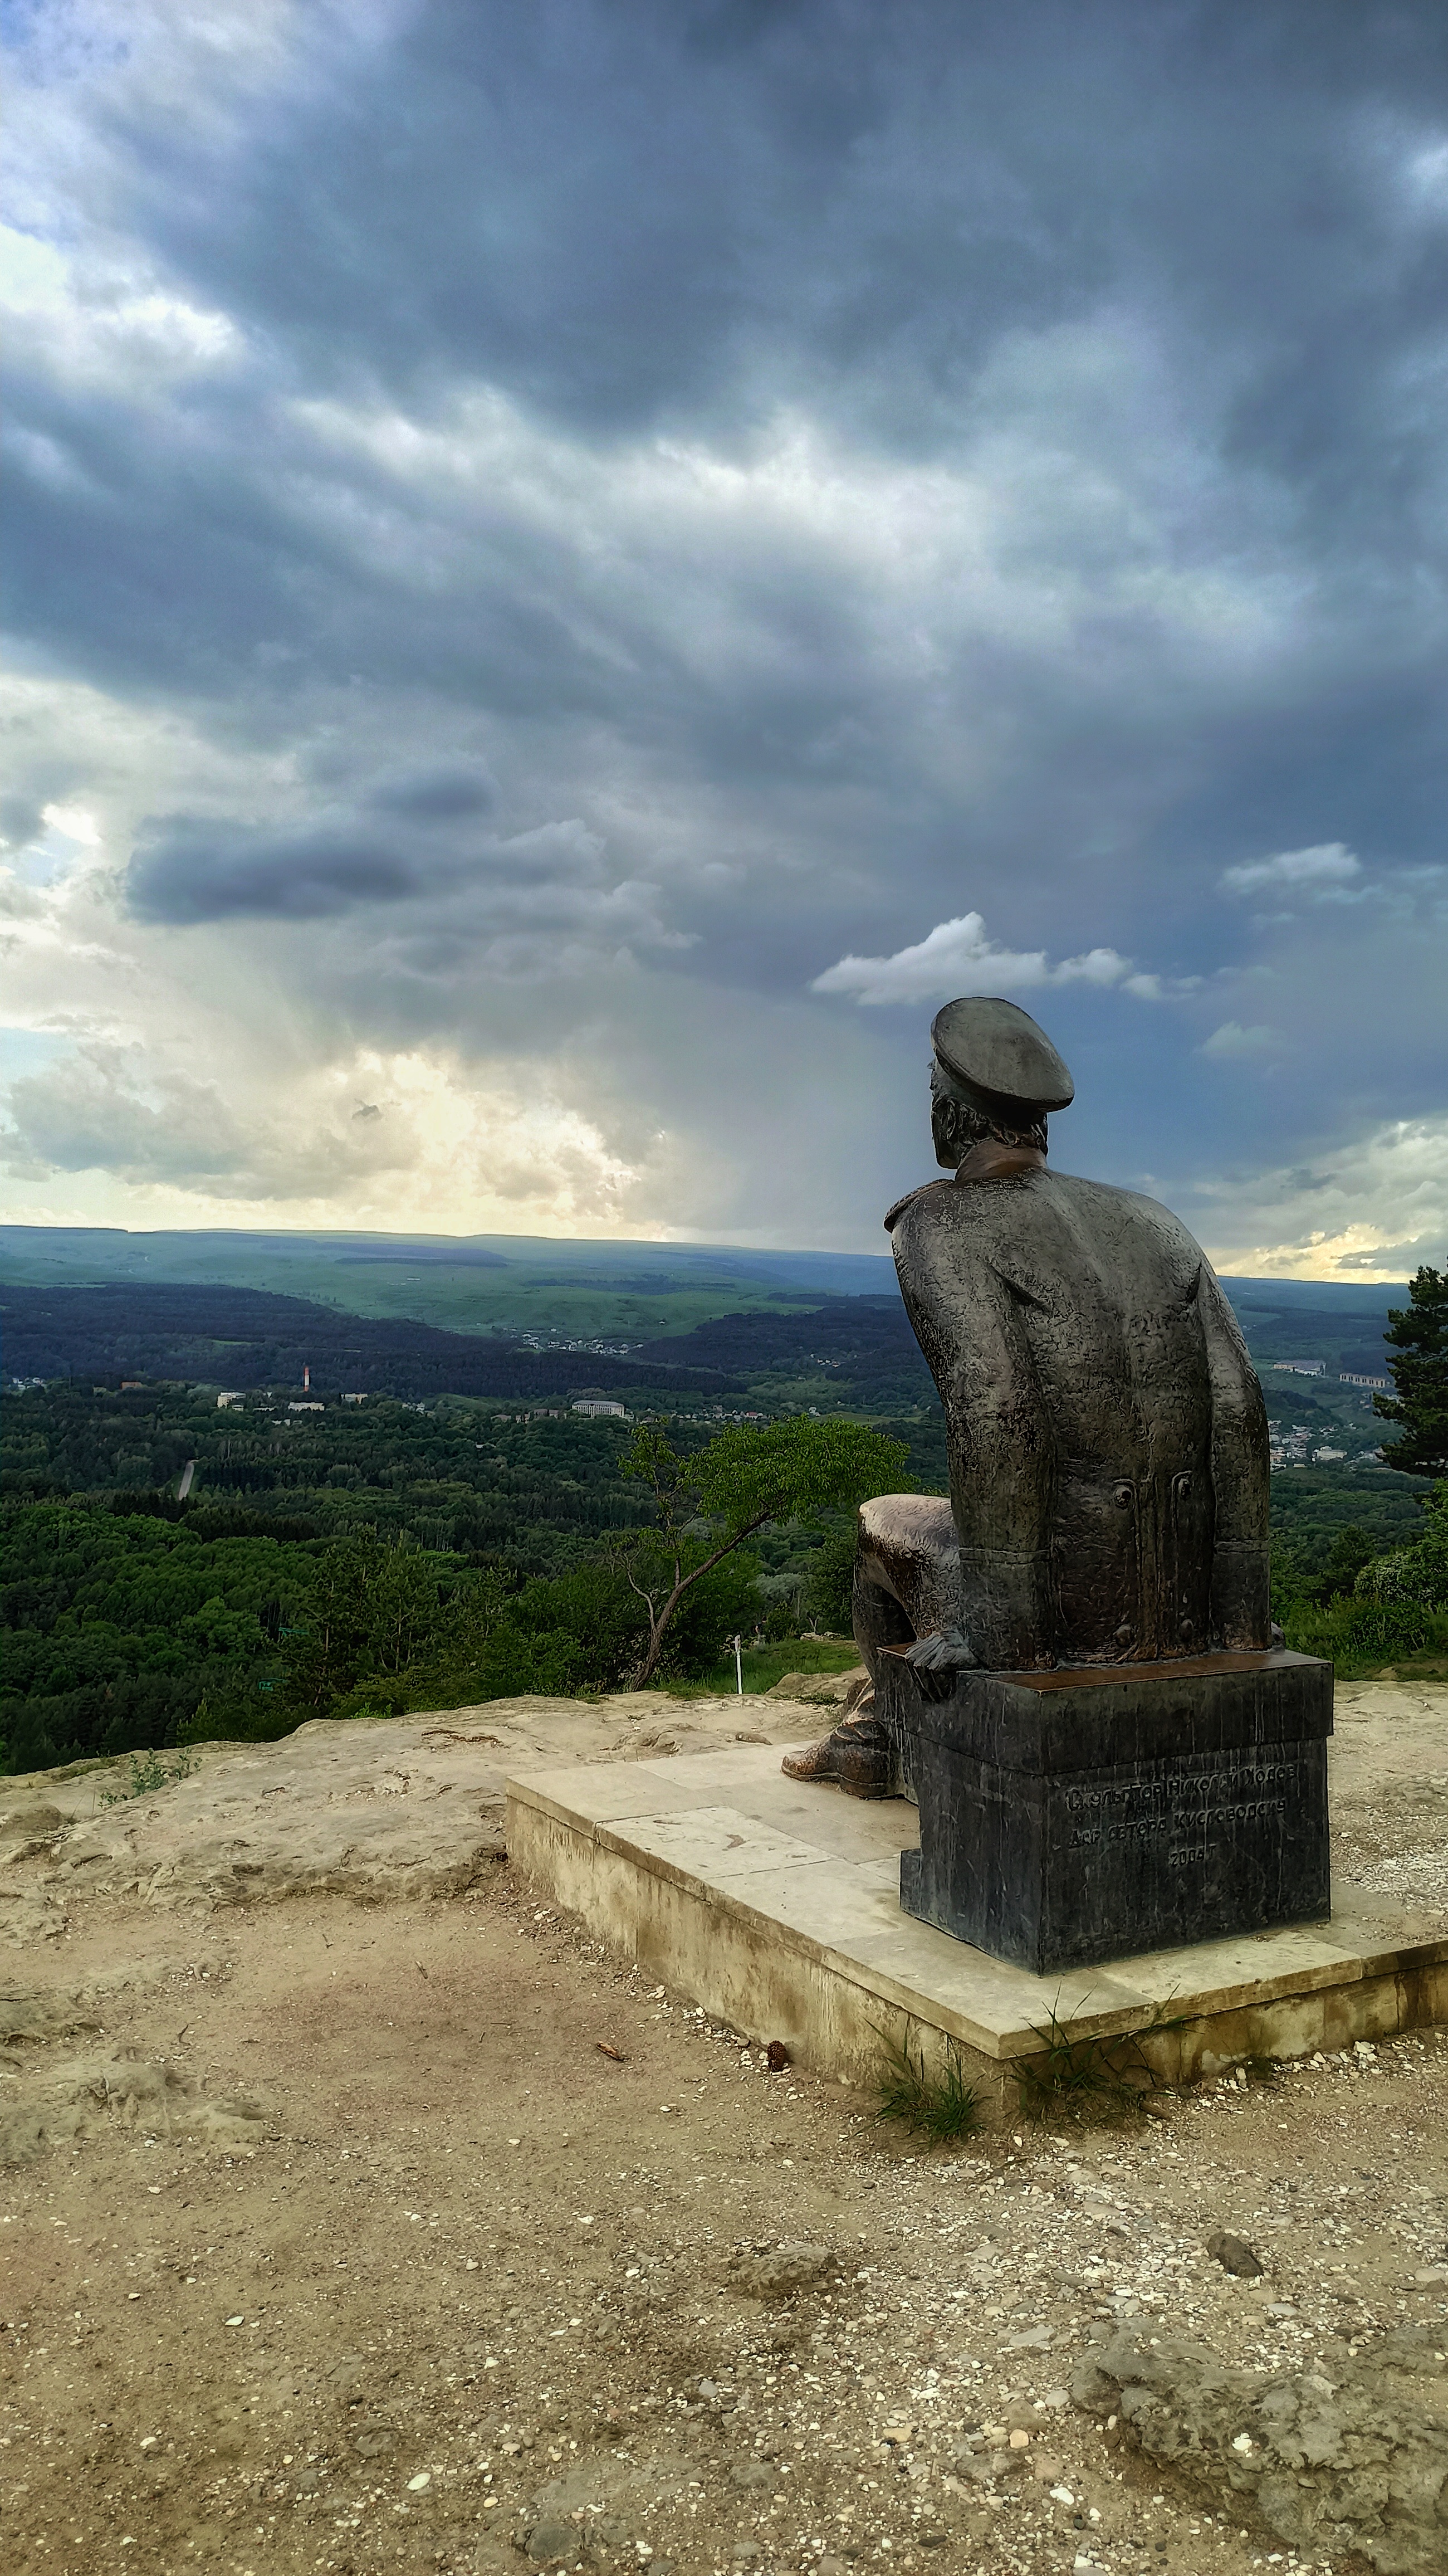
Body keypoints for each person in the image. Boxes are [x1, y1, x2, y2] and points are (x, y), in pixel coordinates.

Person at [784, 995, 1270, 1797]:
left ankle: (873, 1740)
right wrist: (1243, 1623)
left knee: (880, 1523)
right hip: (1188, 1604)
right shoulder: (1155, 1221)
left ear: (949, 1116)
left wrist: (999, 1631)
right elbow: (1239, 1412)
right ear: (1039, 1122)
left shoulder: (942, 1222)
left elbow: (998, 1414)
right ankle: (869, 1731)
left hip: (1057, 1609)